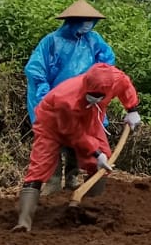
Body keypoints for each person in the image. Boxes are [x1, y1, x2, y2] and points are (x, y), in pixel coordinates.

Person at [14, 63, 141, 232]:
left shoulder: (114, 79)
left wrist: (132, 109)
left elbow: (125, 84)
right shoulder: (66, 98)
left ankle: (90, 210)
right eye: (91, 94)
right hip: (50, 123)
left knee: (101, 162)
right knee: (39, 167)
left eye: (98, 95)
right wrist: (96, 153)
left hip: (88, 120)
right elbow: (75, 134)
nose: (94, 97)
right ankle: (23, 223)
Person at [24, 0, 116, 192]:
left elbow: (106, 64)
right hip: (55, 101)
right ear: (72, 20)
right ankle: (53, 183)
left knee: (79, 140)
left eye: (90, 20)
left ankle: (73, 178)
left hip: (84, 102)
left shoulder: (94, 39)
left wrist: (97, 85)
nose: (87, 23)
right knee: (52, 143)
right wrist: (46, 97)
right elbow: (36, 70)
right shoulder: (51, 41)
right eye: (83, 20)